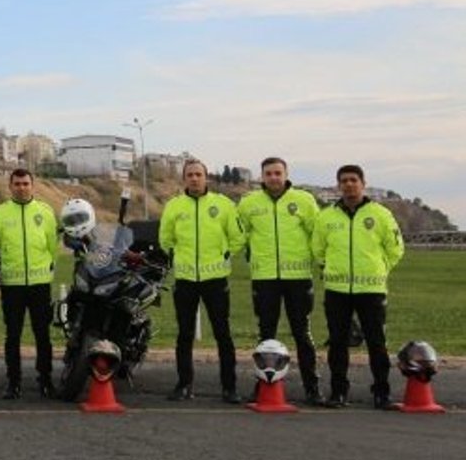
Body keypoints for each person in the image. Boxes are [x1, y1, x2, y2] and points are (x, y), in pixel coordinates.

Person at [311, 164, 405, 409]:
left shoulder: (381, 214)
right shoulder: (326, 216)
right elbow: (318, 249)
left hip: (371, 290)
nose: (349, 184)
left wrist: (379, 269)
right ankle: (339, 391)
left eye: (353, 179)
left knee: (377, 342)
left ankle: (381, 392)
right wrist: (328, 268)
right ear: (338, 185)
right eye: (344, 180)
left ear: (363, 183)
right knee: (338, 343)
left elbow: (395, 249)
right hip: (337, 291)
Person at [159, 159, 246, 403]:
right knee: (184, 335)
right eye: (190, 175)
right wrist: (176, 256)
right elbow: (165, 238)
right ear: (184, 179)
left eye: (199, 174)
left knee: (223, 334)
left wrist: (224, 255)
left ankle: (229, 387)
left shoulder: (224, 205)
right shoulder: (174, 206)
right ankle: (184, 385)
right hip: (185, 279)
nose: (194, 178)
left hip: (216, 280)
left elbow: (238, 238)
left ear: (206, 177)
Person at [236, 157, 322, 405]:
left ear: (286, 174)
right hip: (265, 278)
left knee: (302, 334)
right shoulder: (249, 203)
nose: (273, 177)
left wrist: (318, 260)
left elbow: (316, 235)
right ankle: (263, 384)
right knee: (266, 334)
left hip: (298, 278)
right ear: (261, 176)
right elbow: (240, 233)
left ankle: (312, 387)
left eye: (277, 173)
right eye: (269, 173)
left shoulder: (304, 200)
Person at [0, 168, 58, 399]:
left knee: (42, 335)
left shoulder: (45, 212)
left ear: (33, 185)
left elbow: (52, 246)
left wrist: (48, 270)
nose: (22, 187)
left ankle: (45, 380)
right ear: (10, 186)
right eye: (17, 184)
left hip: (39, 284)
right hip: (12, 285)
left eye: (26, 183)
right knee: (13, 335)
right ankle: (13, 382)